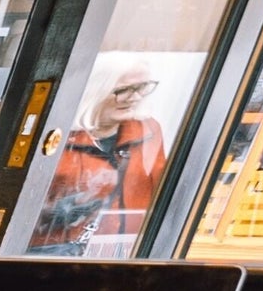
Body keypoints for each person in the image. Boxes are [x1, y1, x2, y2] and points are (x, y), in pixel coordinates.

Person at [32, 63, 171, 254]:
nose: (135, 98)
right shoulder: (56, 136)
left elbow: (158, 189)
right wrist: (53, 213)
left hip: (123, 249)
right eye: (123, 90)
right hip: (54, 251)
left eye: (141, 87)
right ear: (94, 91)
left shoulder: (148, 130)